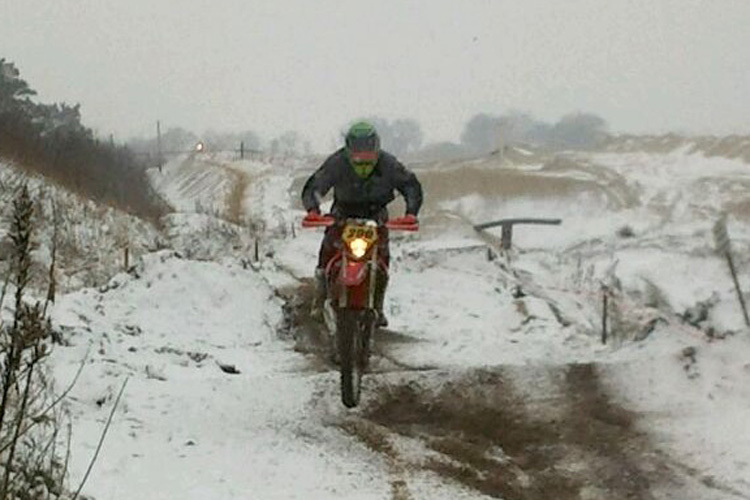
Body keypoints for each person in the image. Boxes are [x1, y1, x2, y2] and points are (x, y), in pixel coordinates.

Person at [301, 121, 423, 327]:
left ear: (376, 145)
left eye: (368, 145)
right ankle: (320, 295)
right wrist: (313, 209)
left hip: (376, 217)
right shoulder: (337, 162)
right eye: (358, 146)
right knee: (328, 249)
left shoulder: (389, 164)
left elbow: (411, 185)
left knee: (382, 257)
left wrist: (411, 212)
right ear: (349, 146)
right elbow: (315, 185)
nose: (363, 152)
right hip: (342, 215)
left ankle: (378, 305)